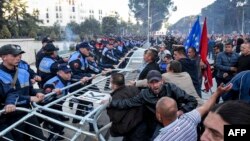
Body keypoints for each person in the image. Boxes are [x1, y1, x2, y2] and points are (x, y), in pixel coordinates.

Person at [109, 70, 197, 140]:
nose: (155, 85)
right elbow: (128, 102)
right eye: (152, 82)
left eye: (157, 81)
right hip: (159, 124)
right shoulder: (144, 94)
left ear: (162, 81)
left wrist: (181, 111)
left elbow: (192, 101)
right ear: (147, 84)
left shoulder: (171, 88)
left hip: (176, 120)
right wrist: (110, 102)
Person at [154, 83, 232, 141]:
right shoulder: (189, 119)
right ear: (177, 110)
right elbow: (206, 106)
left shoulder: (160, 139)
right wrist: (217, 92)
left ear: (159, 116)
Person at [0, 44, 46, 141]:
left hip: (27, 111)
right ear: (3, 57)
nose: (18, 58)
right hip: (10, 116)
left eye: (19, 55)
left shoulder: (24, 72)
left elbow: (29, 90)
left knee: (39, 137)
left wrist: (37, 93)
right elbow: (4, 98)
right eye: (14, 55)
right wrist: (29, 98)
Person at [107, 73, 145, 141]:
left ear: (115, 85)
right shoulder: (134, 88)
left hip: (128, 128)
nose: (109, 83)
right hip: (139, 123)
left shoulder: (116, 97)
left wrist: (108, 106)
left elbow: (115, 118)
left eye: (110, 81)